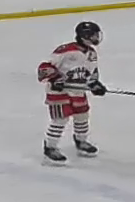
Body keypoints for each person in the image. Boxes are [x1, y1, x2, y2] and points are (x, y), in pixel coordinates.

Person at [36, 21, 106, 164]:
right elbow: (44, 67)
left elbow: (91, 73)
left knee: (82, 116)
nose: (95, 38)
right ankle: (50, 147)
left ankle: (81, 141)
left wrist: (95, 85)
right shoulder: (65, 51)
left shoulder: (91, 54)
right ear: (84, 36)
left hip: (77, 90)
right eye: (92, 35)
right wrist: (55, 78)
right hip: (59, 92)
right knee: (60, 119)